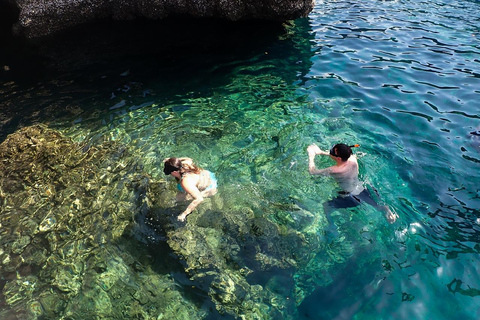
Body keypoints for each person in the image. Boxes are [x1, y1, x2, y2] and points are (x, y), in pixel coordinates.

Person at [307, 143, 398, 224]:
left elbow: (312, 171)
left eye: (332, 151)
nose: (330, 151)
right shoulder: (353, 159)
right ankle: (386, 209)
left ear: (338, 158)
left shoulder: (334, 170)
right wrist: (321, 152)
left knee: (326, 206)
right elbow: (342, 156)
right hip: (363, 189)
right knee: (378, 207)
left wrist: (311, 155)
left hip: (350, 196)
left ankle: (330, 225)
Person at [163, 157, 218, 222]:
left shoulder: (185, 182)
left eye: (170, 173)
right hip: (207, 175)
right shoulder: (184, 163)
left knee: (178, 198)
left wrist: (184, 214)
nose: (170, 175)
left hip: (210, 188)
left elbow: (199, 199)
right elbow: (190, 159)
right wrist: (171, 161)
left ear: (174, 172)